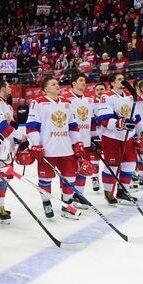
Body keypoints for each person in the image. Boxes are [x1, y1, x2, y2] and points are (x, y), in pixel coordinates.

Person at [26, 76, 84, 219]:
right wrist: (36, 144)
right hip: (48, 150)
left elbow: (73, 125)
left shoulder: (67, 102)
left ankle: (67, 206)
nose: (57, 86)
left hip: (66, 149)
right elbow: (32, 126)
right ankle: (46, 203)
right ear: (46, 89)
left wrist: (76, 142)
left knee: (70, 179)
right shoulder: (37, 103)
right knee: (46, 180)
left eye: (58, 83)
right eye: (53, 84)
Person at [97, 72, 143, 204]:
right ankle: (108, 193)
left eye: (123, 79)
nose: (122, 81)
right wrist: (121, 123)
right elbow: (104, 119)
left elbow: (137, 118)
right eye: (119, 79)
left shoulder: (130, 97)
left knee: (129, 165)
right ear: (112, 83)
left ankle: (123, 191)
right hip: (112, 137)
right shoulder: (106, 97)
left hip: (128, 137)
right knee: (112, 166)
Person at [0, 80, 25, 222]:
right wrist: (19, 135)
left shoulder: (5, 105)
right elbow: (0, 127)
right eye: (8, 86)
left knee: (4, 178)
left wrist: (16, 130)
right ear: (2, 89)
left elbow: (9, 124)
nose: (11, 87)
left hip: (5, 148)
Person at [60, 73, 98, 209]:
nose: (84, 83)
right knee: (69, 172)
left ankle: (79, 195)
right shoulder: (64, 98)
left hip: (85, 141)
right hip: (69, 142)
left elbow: (92, 120)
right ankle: (67, 197)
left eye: (85, 81)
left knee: (83, 170)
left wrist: (94, 137)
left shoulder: (89, 98)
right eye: (81, 80)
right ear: (74, 83)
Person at [90, 82, 107, 191]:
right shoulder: (91, 103)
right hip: (96, 134)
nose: (100, 91)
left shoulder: (110, 101)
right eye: (97, 90)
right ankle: (95, 178)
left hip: (108, 134)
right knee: (95, 160)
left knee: (112, 160)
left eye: (102, 89)